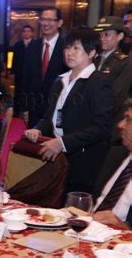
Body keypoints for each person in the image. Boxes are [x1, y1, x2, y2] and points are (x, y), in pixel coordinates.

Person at [25, 27, 114, 195]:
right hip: (55, 158)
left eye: (76, 48)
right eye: (67, 47)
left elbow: (102, 127)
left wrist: (63, 142)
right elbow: (49, 117)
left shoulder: (99, 82)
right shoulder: (60, 80)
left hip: (82, 161)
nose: (69, 53)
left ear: (92, 52)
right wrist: (37, 128)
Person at [21, 7, 68, 128]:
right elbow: (26, 79)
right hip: (34, 109)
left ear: (60, 23)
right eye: (43, 19)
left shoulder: (67, 47)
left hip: (57, 109)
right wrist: (25, 107)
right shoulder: (33, 46)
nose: (46, 23)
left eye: (50, 20)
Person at [93, 99, 132, 230]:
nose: (120, 125)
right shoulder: (115, 154)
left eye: (128, 119)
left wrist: (123, 227)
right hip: (90, 232)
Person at [94, 16, 132, 143]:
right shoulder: (94, 59)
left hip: (108, 128)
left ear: (120, 36)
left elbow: (116, 97)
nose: (102, 38)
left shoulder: (125, 63)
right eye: (100, 34)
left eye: (107, 34)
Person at [11, 25, 34, 116]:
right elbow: (14, 60)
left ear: (32, 33)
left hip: (31, 74)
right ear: (22, 33)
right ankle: (16, 113)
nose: (26, 33)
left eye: (28, 31)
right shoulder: (17, 45)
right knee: (18, 92)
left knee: (30, 92)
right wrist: (12, 72)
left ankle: (29, 111)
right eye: (24, 31)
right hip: (19, 73)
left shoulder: (36, 44)